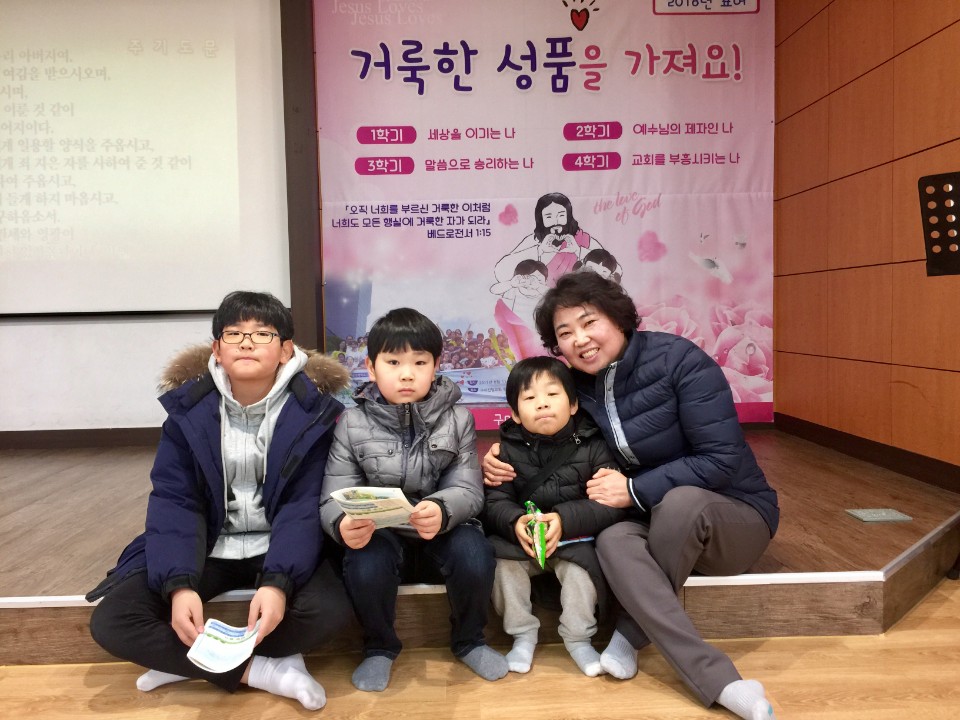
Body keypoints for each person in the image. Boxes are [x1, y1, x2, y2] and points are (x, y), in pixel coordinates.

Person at [482, 272, 780, 720]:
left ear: (618, 318)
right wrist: (499, 453)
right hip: (649, 518)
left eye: (589, 322)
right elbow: (538, 428)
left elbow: (721, 458)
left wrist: (635, 489)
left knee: (681, 502)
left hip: (732, 516)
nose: (580, 340)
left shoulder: (680, 361)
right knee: (613, 539)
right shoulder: (575, 386)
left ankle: (637, 636)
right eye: (565, 333)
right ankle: (713, 678)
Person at [87, 291, 353, 711]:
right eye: (234, 333)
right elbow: (175, 502)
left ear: (286, 350)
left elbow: (301, 506)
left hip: (279, 545)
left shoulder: (312, 415)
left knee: (330, 611)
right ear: (216, 348)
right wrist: (179, 586)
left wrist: (277, 583)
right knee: (113, 620)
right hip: (208, 544)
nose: (246, 343)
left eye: (262, 333)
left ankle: (186, 662)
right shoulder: (187, 413)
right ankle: (265, 671)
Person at [320, 307, 508, 692]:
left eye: (419, 362)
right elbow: (334, 494)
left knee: (475, 553)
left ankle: (470, 639)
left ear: (436, 366)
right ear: (371, 367)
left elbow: (469, 489)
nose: (407, 374)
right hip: (383, 534)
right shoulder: (352, 423)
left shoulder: (458, 419)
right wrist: (343, 524)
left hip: (443, 531)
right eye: (393, 362)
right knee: (363, 561)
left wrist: (442, 508)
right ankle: (379, 646)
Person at [484, 357, 626, 677]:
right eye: (530, 397)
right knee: (501, 563)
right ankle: (522, 634)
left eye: (552, 393)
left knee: (581, 571)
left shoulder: (595, 446)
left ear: (573, 404)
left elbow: (609, 504)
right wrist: (515, 522)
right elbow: (494, 501)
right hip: (523, 541)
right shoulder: (505, 451)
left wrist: (564, 519)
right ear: (515, 413)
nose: (543, 403)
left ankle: (578, 639)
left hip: (574, 537)